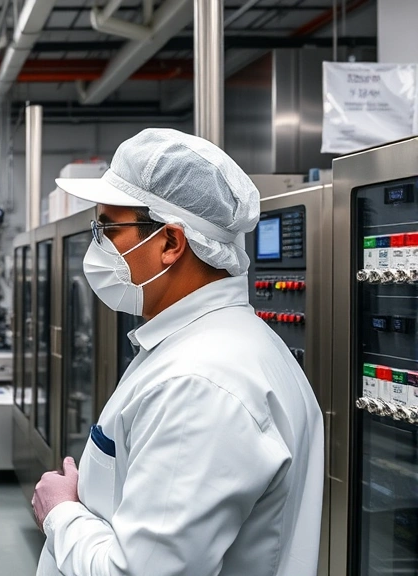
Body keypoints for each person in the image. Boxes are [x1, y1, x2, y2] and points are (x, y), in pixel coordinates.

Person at [33, 128, 323, 576]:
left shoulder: (199, 384)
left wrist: (60, 513)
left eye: (107, 228)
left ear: (170, 243)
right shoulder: (210, 346)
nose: (97, 246)